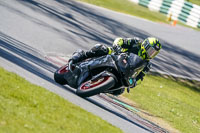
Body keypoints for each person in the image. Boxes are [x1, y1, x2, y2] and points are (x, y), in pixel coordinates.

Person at [69, 37, 162, 95]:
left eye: (154, 53)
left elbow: (140, 76)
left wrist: (134, 82)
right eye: (150, 50)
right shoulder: (136, 42)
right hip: (116, 56)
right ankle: (83, 56)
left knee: (120, 91)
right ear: (145, 45)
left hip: (124, 71)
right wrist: (118, 46)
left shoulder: (147, 65)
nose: (151, 54)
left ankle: (98, 86)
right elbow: (120, 40)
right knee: (101, 48)